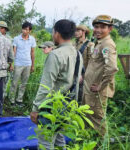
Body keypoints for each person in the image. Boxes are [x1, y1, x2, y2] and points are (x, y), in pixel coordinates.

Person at [30, 19, 83, 149]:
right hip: (68, 105)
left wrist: (36, 109)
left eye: (53, 32)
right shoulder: (78, 54)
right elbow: (77, 82)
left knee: (45, 143)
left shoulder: (55, 54)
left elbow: (46, 86)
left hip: (52, 106)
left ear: (57, 34)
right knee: (59, 138)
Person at [82, 15, 118, 137]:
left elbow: (112, 68)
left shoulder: (107, 44)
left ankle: (102, 145)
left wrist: (100, 86)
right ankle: (90, 142)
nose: (98, 30)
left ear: (110, 29)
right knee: (89, 117)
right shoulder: (98, 43)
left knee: (98, 120)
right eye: (96, 27)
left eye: (103, 27)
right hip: (90, 89)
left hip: (96, 91)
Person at [9, 21, 36, 107]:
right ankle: (12, 100)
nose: (24, 31)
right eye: (23, 29)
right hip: (18, 63)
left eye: (26, 29)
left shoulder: (32, 39)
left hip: (27, 63)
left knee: (24, 83)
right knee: (14, 82)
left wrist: (32, 65)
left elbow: (32, 52)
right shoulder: (16, 39)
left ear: (30, 31)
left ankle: (19, 100)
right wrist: (11, 64)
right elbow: (14, 51)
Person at [74, 25, 95, 102]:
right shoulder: (73, 44)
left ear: (84, 32)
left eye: (78, 31)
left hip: (83, 75)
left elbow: (91, 62)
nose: (75, 33)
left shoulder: (90, 45)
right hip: (73, 73)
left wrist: (83, 75)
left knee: (80, 98)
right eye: (75, 31)